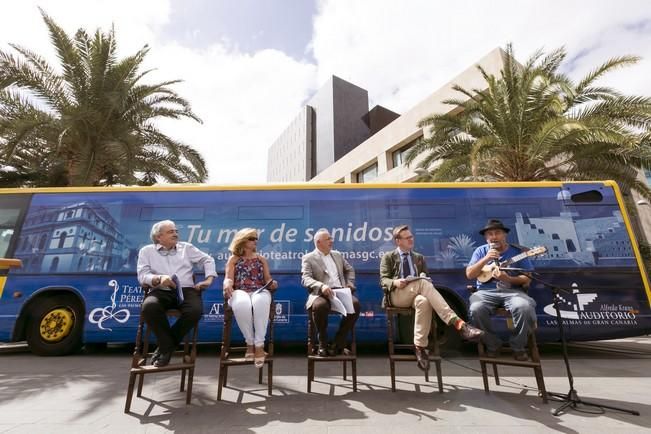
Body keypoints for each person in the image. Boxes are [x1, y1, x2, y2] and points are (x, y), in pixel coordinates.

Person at [380, 224, 484, 371]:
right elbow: (383, 280)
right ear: (398, 241)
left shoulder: (419, 258)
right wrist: (395, 282)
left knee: (424, 301)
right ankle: (459, 324)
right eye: (407, 237)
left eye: (412, 237)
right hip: (397, 295)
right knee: (422, 284)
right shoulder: (388, 257)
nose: (411, 239)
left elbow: (426, 279)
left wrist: (423, 277)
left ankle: (420, 348)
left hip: (416, 294)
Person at [137, 220, 216, 367]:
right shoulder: (146, 251)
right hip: (161, 290)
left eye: (176, 231)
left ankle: (163, 348)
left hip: (186, 290)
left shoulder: (186, 248)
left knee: (195, 311)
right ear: (159, 237)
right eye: (170, 231)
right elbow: (142, 276)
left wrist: (209, 279)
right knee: (149, 307)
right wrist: (158, 278)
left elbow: (207, 259)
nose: (175, 234)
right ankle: (168, 347)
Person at [466, 219, 537, 361]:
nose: (493, 237)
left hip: (513, 292)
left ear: (504, 235)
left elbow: (527, 278)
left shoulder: (518, 252)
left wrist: (508, 279)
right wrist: (486, 259)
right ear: (486, 238)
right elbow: (469, 274)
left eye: (497, 233)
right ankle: (492, 345)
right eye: (489, 234)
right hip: (485, 292)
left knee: (524, 307)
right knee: (476, 309)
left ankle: (518, 347)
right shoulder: (480, 251)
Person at [223, 228, 278, 367]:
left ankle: (259, 345)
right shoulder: (234, 259)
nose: (256, 241)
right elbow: (228, 278)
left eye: (256, 238)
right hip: (240, 290)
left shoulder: (261, 259)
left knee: (260, 302)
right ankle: (249, 343)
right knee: (242, 304)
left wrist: (272, 284)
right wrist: (227, 284)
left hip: (259, 290)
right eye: (252, 238)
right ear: (243, 240)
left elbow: (267, 279)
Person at [301, 229, 360, 357]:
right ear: (318, 242)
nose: (331, 241)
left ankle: (338, 343)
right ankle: (322, 342)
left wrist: (349, 283)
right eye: (328, 239)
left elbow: (350, 270)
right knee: (320, 306)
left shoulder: (337, 255)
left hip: (340, 291)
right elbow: (306, 279)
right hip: (320, 293)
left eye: (331, 238)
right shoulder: (309, 258)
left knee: (355, 305)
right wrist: (321, 286)